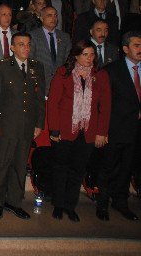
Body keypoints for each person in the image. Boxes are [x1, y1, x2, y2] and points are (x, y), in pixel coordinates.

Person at [47, 40, 111, 222]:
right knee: (61, 168)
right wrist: (55, 129)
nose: (89, 58)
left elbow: (105, 106)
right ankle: (58, 205)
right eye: (85, 54)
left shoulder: (101, 75)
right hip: (66, 130)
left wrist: (102, 132)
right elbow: (53, 102)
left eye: (92, 55)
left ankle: (70, 206)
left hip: (88, 132)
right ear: (76, 55)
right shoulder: (64, 73)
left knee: (78, 170)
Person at [0, 33, 45, 220]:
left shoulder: (37, 67)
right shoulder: (3, 66)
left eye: (28, 45)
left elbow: (39, 99)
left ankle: (14, 202)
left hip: (27, 125)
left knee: (20, 166)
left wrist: (39, 123)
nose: (26, 48)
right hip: (7, 124)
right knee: (2, 164)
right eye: (21, 44)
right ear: (12, 47)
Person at [97, 31, 141, 221]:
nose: (140, 49)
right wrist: (103, 130)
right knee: (108, 168)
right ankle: (102, 204)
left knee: (127, 168)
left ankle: (120, 202)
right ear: (125, 49)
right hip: (115, 129)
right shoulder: (111, 71)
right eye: (136, 45)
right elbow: (102, 103)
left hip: (136, 131)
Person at [29, 7, 72, 97]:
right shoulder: (33, 35)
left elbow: (68, 61)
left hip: (60, 83)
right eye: (49, 15)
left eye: (55, 15)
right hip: (40, 84)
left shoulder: (65, 37)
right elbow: (30, 61)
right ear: (41, 18)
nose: (53, 18)